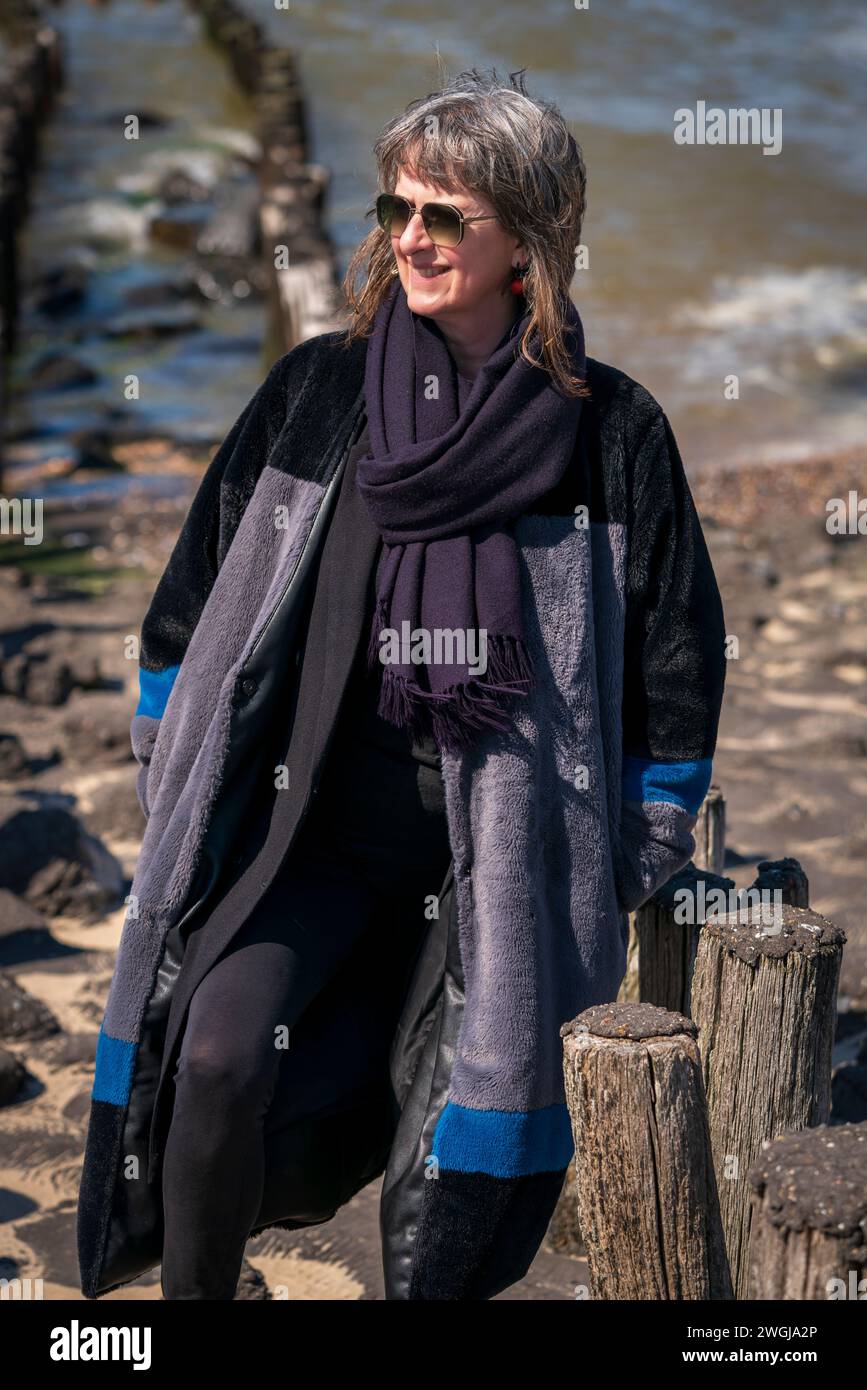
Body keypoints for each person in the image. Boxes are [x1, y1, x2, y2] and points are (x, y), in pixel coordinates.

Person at [77, 66, 727, 1302]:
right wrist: (168, 737)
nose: (411, 239)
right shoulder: (322, 392)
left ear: (527, 242)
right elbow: (195, 583)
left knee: (446, 1170)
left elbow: (679, 648)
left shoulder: (610, 429)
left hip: (498, 860)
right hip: (306, 831)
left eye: (445, 217)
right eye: (395, 211)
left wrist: (647, 826)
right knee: (213, 1056)